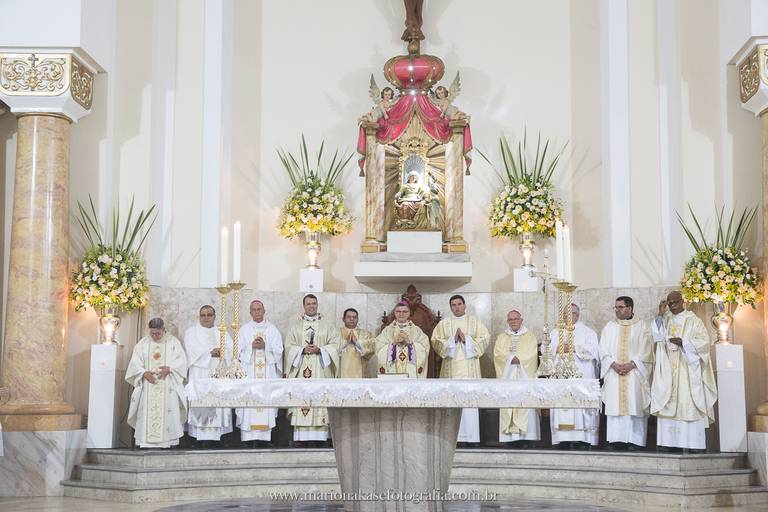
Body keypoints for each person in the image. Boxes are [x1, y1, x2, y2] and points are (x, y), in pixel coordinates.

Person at [651, 291, 717, 452]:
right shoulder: (664, 320)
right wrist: (659, 314)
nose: (672, 306)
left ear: (683, 302)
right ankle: (669, 444)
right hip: (668, 370)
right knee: (667, 400)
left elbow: (704, 343)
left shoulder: (694, 321)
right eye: (669, 303)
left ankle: (694, 445)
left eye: (675, 302)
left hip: (688, 369)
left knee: (689, 403)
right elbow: (656, 338)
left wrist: (684, 343)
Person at [431, 295, 491, 446]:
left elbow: (485, 338)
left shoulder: (475, 322)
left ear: (465, 306)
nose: (456, 307)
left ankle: (471, 439)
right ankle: (454, 439)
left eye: (459, 304)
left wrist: (466, 339)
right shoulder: (444, 324)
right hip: (450, 372)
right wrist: (451, 341)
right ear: (450, 307)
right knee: (453, 406)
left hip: (470, 372)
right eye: (453, 305)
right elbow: (435, 341)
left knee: (469, 406)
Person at [284, 294, 340, 446]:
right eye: (308, 304)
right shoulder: (295, 326)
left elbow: (336, 344)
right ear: (304, 306)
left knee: (319, 399)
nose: (311, 306)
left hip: (320, 369)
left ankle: (320, 439)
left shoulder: (327, 325)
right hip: (302, 368)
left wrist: (321, 349)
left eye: (314, 303)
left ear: (317, 305)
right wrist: (301, 350)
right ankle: (301, 439)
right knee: (302, 398)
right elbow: (288, 347)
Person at [599, 296, 653, 451]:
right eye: (615, 307)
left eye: (620, 307)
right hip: (614, 372)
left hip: (635, 373)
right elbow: (602, 349)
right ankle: (615, 440)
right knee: (615, 406)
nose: (617, 310)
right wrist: (613, 364)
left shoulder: (642, 326)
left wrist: (632, 364)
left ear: (630, 308)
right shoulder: (609, 327)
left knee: (634, 405)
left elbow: (647, 350)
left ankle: (635, 441)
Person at [126, 318, 187, 448]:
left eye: (157, 333)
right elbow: (135, 363)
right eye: (152, 333)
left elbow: (182, 361)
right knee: (146, 412)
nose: (154, 336)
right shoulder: (142, 343)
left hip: (167, 384)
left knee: (169, 412)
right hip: (148, 385)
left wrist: (170, 369)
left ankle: (168, 442)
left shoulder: (173, 343)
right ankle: (145, 443)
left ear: (163, 330)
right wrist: (143, 373)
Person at [549, 304, 600, 449]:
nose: (567, 317)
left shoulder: (588, 332)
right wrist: (557, 348)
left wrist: (573, 348)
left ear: (578, 315)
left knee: (580, 407)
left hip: (581, 377)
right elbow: (545, 349)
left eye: (570, 314)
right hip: (560, 378)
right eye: (565, 314)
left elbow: (594, 351)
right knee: (561, 405)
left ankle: (582, 439)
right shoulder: (555, 332)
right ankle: (561, 439)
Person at [184, 305, 233, 445]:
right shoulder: (191, 332)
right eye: (203, 315)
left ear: (214, 316)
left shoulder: (222, 332)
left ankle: (217, 438)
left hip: (218, 373)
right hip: (200, 374)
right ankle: (198, 438)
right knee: (201, 403)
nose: (206, 318)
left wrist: (222, 352)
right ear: (199, 317)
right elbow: (191, 350)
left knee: (218, 403)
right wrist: (210, 353)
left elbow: (231, 350)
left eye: (209, 315)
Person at [237, 299, 283, 447]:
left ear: (264, 311)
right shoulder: (244, 330)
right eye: (254, 310)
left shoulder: (272, 330)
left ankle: (264, 439)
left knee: (266, 402)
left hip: (267, 375)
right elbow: (237, 352)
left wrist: (266, 346)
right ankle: (248, 438)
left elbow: (279, 351)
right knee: (249, 403)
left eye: (259, 309)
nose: (257, 312)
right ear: (250, 312)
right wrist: (251, 347)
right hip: (249, 374)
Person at [494, 310, 540, 446]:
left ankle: (527, 437)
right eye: (510, 319)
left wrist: (519, 359)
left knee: (525, 404)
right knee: (509, 404)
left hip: (523, 377)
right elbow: (497, 354)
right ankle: (510, 438)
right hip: (508, 378)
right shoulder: (502, 337)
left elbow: (532, 354)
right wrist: (509, 359)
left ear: (521, 320)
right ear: (507, 321)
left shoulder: (529, 336)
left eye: (516, 319)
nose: (513, 321)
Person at [375, 301, 429, 378]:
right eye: (398, 311)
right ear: (395, 313)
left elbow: (425, 348)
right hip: (392, 370)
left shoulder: (417, 330)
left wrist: (410, 343)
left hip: (411, 371)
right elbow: (378, 348)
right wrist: (393, 343)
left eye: (404, 311)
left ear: (409, 313)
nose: (401, 314)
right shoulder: (387, 330)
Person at [338, 308, 375, 378]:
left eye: (354, 317)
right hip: (342, 373)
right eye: (349, 317)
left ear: (357, 319)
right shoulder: (336, 333)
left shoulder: (366, 334)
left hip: (361, 373)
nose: (352, 319)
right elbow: (332, 349)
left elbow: (372, 349)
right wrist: (345, 342)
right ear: (343, 319)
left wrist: (357, 343)